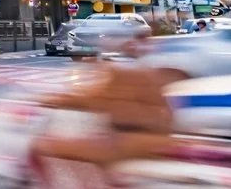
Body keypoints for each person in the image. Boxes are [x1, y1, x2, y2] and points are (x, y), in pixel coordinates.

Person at [30, 28, 175, 183]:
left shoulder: (126, 71)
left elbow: (95, 100)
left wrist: (53, 100)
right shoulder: (138, 67)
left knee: (45, 146)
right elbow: (95, 98)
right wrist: (55, 99)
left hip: (131, 141)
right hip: (132, 138)